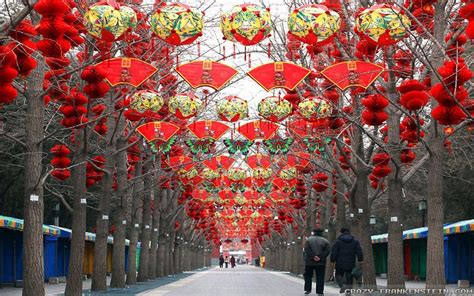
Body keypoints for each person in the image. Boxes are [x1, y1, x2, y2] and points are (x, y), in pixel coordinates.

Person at [330, 227, 364, 294]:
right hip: (350, 262)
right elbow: (359, 251)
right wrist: (361, 259)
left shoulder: (337, 242)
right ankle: (348, 292)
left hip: (340, 263)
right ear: (349, 232)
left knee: (338, 275)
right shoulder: (355, 241)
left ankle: (342, 285)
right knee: (349, 278)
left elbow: (334, 252)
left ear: (341, 232)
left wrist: (332, 260)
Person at [303, 228, 331, 295]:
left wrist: (313, 256)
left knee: (308, 276)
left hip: (309, 262)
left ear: (314, 232)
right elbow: (327, 251)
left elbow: (307, 249)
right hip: (321, 262)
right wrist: (320, 257)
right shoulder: (325, 241)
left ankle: (307, 289)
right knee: (320, 277)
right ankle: (320, 291)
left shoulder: (308, 240)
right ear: (321, 233)